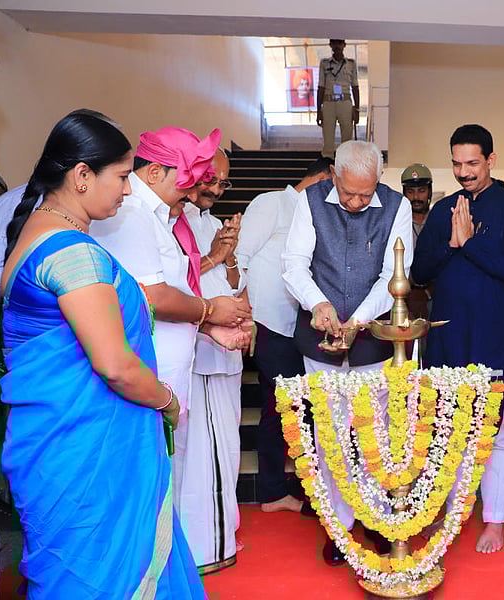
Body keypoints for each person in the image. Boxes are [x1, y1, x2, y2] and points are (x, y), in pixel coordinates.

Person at [0, 109, 205, 598]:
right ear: (82, 175)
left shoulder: (34, 233)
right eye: (120, 176)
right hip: (88, 447)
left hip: (63, 440)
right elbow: (115, 366)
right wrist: (168, 403)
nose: (128, 189)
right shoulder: (73, 253)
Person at [89, 126, 252, 512]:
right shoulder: (132, 215)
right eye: (187, 182)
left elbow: (173, 284)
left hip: (166, 377)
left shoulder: (158, 216)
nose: (193, 193)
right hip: (145, 377)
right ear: (154, 172)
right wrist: (211, 312)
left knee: (164, 491)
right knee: (146, 496)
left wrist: (209, 327)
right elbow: (151, 296)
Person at [281, 140, 412, 566]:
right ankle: (338, 525)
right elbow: (294, 264)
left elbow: (396, 274)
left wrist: (358, 319)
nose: (357, 202)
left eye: (366, 193)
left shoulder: (397, 206)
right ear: (334, 176)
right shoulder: (310, 201)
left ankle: (375, 520)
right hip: (319, 343)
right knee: (330, 436)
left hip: (374, 341)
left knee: (376, 434)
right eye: (350, 192)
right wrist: (318, 305)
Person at [413, 124, 504, 554]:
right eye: (456, 163)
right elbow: (418, 273)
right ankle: (447, 512)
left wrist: (472, 245)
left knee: (495, 433)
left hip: (491, 338)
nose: (463, 172)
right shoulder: (443, 208)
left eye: (472, 163)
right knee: (444, 431)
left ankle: (494, 520)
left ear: (490, 160)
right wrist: (450, 242)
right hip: (446, 338)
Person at [237, 155, 333, 515]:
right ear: (324, 176)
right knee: (279, 408)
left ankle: (286, 486)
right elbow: (240, 257)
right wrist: (244, 317)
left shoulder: (314, 213)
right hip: (268, 323)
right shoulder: (272, 203)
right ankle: (273, 491)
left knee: (295, 407)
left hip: (297, 325)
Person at [178, 148, 245, 573]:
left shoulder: (207, 222)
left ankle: (222, 531)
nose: (217, 190)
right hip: (200, 351)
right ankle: (204, 547)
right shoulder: (175, 220)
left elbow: (232, 280)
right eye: (211, 181)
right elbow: (172, 286)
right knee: (201, 453)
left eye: (223, 183)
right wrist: (216, 258)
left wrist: (231, 256)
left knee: (227, 449)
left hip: (226, 351)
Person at [317, 39, 360, 159]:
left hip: (345, 102)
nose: (337, 46)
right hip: (328, 102)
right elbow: (320, 86)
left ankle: (345, 164)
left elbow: (355, 86)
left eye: (339, 43)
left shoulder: (351, 63)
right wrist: (318, 110)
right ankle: (327, 165)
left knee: (347, 138)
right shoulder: (325, 63)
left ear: (344, 45)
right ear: (330, 45)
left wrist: (356, 110)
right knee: (328, 139)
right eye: (334, 43)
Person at [401, 162, 434, 320]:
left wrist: (427, 293)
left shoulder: (438, 220)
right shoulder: (399, 223)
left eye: (421, 191)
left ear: (429, 192)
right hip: (404, 298)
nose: (416, 197)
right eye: (410, 191)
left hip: (436, 294)